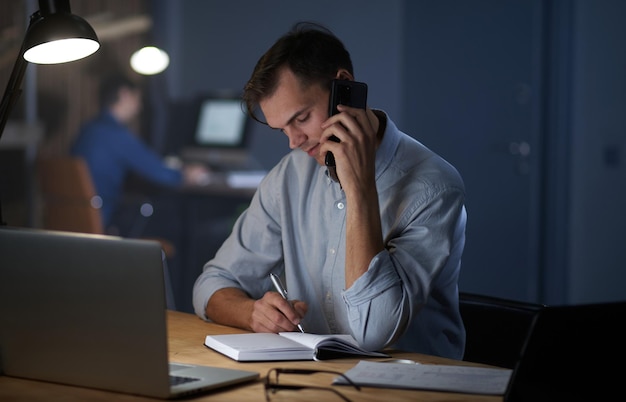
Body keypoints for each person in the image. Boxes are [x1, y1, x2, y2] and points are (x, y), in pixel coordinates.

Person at [192, 22, 467, 359]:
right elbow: (210, 286)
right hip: (314, 377)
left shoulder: (434, 186)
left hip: (410, 384)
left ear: (344, 87)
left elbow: (373, 331)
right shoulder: (290, 176)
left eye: (302, 118)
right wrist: (251, 313)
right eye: (282, 130)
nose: (293, 141)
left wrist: (359, 185)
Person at [71, 73, 208, 230]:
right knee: (168, 217)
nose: (139, 107)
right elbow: (161, 173)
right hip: (103, 218)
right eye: (137, 99)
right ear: (124, 95)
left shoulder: (87, 130)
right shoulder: (116, 135)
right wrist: (186, 174)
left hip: (77, 220)